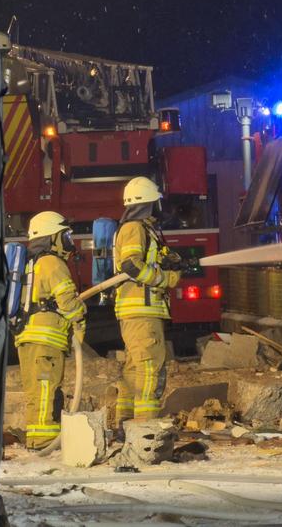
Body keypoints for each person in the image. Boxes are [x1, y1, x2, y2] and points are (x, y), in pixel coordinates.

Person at [112, 177, 181, 426]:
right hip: (141, 311)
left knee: (134, 367)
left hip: (138, 312)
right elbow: (131, 265)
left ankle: (126, 423)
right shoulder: (134, 228)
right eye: (157, 202)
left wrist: (167, 260)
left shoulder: (142, 229)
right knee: (149, 367)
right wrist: (164, 278)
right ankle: (145, 427)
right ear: (148, 203)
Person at [15, 211, 87, 449]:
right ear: (51, 237)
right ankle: (45, 441)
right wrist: (80, 316)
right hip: (46, 339)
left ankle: (37, 438)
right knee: (46, 388)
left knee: (36, 390)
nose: (69, 240)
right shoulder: (51, 262)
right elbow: (67, 300)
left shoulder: (31, 262)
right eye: (64, 234)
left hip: (28, 336)